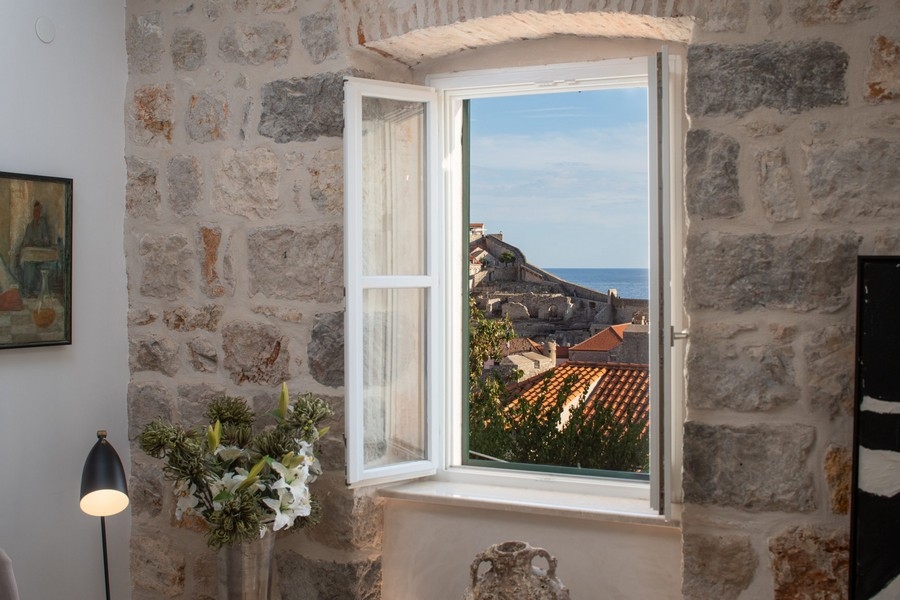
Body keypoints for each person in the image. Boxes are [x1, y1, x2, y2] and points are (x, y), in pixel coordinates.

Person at [15, 201, 54, 297]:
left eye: (38, 211)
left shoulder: (43, 225)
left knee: (44, 264)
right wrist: (28, 243)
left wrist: (36, 242)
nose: (36, 213)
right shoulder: (29, 226)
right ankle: (28, 291)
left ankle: (39, 291)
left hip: (41, 255)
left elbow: (46, 241)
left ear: (40, 212)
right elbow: (25, 241)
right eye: (35, 211)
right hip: (31, 255)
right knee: (28, 264)